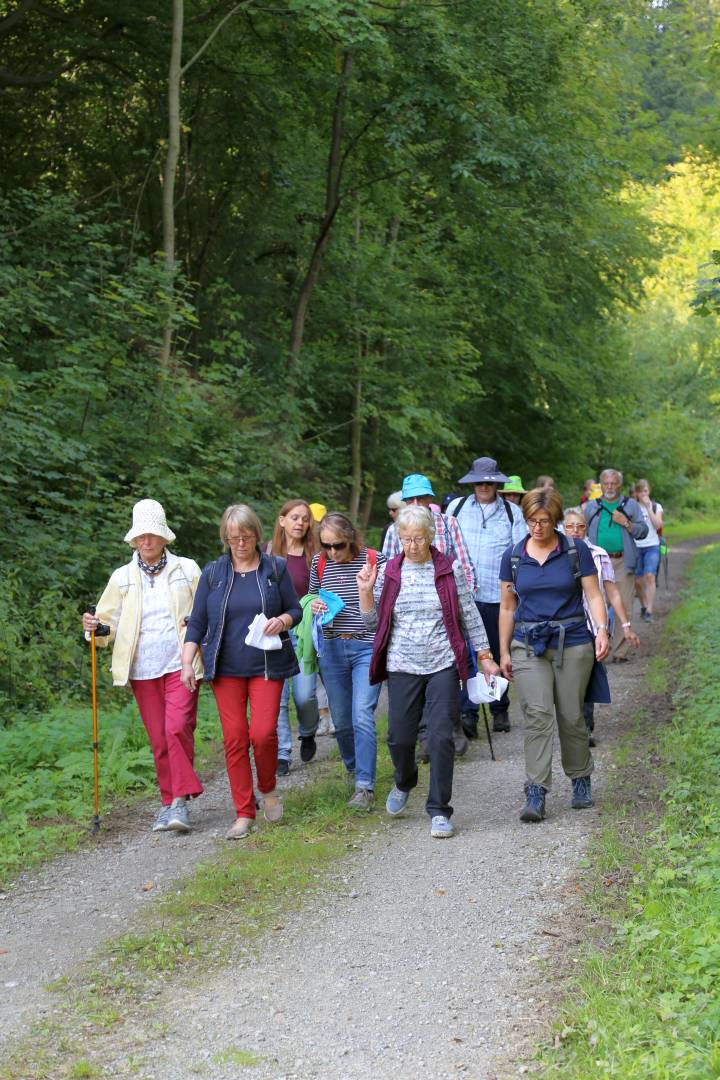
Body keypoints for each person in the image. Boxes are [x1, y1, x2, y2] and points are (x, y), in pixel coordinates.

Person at [358, 506, 499, 838]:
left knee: (440, 738)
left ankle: (439, 810)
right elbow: (371, 623)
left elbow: (469, 614)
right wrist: (365, 592)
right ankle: (405, 781)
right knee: (399, 738)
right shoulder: (390, 571)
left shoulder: (449, 570)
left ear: (431, 537)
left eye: (418, 539)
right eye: (406, 539)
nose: (412, 546)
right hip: (401, 664)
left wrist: (484, 654)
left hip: (442, 663)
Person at [81, 499, 203, 834]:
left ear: (164, 537)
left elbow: (206, 609)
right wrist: (93, 626)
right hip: (141, 668)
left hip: (182, 663)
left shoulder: (187, 569)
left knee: (177, 726)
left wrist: (199, 628)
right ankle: (169, 802)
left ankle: (180, 802)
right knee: (159, 738)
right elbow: (106, 626)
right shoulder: (122, 578)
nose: (145, 541)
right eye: (140, 536)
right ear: (134, 540)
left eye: (151, 535)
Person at [181, 504, 301, 840]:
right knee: (234, 739)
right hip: (226, 668)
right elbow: (198, 622)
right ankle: (244, 812)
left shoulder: (275, 569)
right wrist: (186, 661)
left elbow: (295, 609)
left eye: (245, 536)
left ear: (256, 535)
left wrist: (284, 620)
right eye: (233, 538)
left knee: (262, 734)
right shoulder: (214, 573)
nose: (240, 543)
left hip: (266, 665)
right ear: (225, 538)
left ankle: (268, 788)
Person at [499, 488, 609, 822]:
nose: (537, 527)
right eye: (532, 520)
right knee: (537, 714)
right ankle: (536, 789)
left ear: (556, 520)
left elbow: (593, 595)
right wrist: (502, 650)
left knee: (572, 715)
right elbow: (507, 606)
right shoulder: (514, 555)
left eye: (544, 521)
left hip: (573, 640)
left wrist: (602, 629)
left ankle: (580, 778)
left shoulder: (576, 551)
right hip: (528, 642)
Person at [383, 473, 476, 757]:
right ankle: (425, 735)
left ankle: (452, 723)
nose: (416, 503)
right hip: (410, 617)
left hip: (447, 610)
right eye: (410, 498)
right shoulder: (394, 531)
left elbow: (465, 565)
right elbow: (387, 572)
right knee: (415, 677)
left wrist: (462, 604)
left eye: (421, 497)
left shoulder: (448, 525)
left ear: (430, 499)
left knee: (454, 669)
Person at [309, 512, 386, 810]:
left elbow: (386, 605)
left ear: (351, 538)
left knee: (362, 715)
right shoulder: (319, 562)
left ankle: (365, 786)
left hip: (365, 646)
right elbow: (311, 596)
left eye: (337, 545)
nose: (331, 552)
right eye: (326, 545)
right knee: (341, 721)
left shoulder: (374, 559)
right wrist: (313, 603)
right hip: (331, 648)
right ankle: (355, 768)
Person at [447, 457, 527, 736]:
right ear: (473, 482)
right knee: (468, 657)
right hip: (463, 596)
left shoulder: (511, 513)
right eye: (479, 481)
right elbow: (446, 549)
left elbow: (520, 554)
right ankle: (468, 713)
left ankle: (499, 708)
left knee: (495, 652)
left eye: (489, 481)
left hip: (499, 597)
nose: (484, 486)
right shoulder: (456, 509)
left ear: (497, 484)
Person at [563, 508, 640, 744]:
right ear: (562, 528)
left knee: (586, 679)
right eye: (570, 526)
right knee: (565, 681)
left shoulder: (598, 554)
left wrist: (625, 625)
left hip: (591, 627)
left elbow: (612, 593)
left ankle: (585, 728)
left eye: (580, 526)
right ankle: (569, 725)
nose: (575, 531)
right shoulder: (553, 554)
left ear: (587, 528)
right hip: (562, 627)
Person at [266, 500, 320, 775]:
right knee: (277, 698)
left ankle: (309, 730)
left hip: (306, 635)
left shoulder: (316, 555)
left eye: (305, 519)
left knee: (304, 696)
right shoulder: (266, 554)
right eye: (295, 517)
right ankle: (283, 753)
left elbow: (325, 591)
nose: (300, 523)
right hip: (276, 634)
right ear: (282, 520)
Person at [583, 469, 648, 661]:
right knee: (596, 603)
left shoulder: (631, 505)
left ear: (620, 485)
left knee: (624, 604)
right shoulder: (592, 507)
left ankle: (619, 652)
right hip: (596, 562)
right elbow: (581, 531)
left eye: (614, 483)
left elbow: (643, 531)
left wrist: (626, 523)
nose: (610, 487)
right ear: (600, 485)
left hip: (622, 561)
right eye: (606, 483)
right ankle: (600, 646)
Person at [633, 479, 664, 622]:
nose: (644, 494)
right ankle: (644, 605)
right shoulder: (632, 508)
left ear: (649, 491)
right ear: (637, 493)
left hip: (652, 545)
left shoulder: (656, 506)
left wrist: (648, 508)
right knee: (637, 581)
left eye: (646, 491)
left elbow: (658, 525)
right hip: (635, 547)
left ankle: (649, 611)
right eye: (641, 491)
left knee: (650, 576)